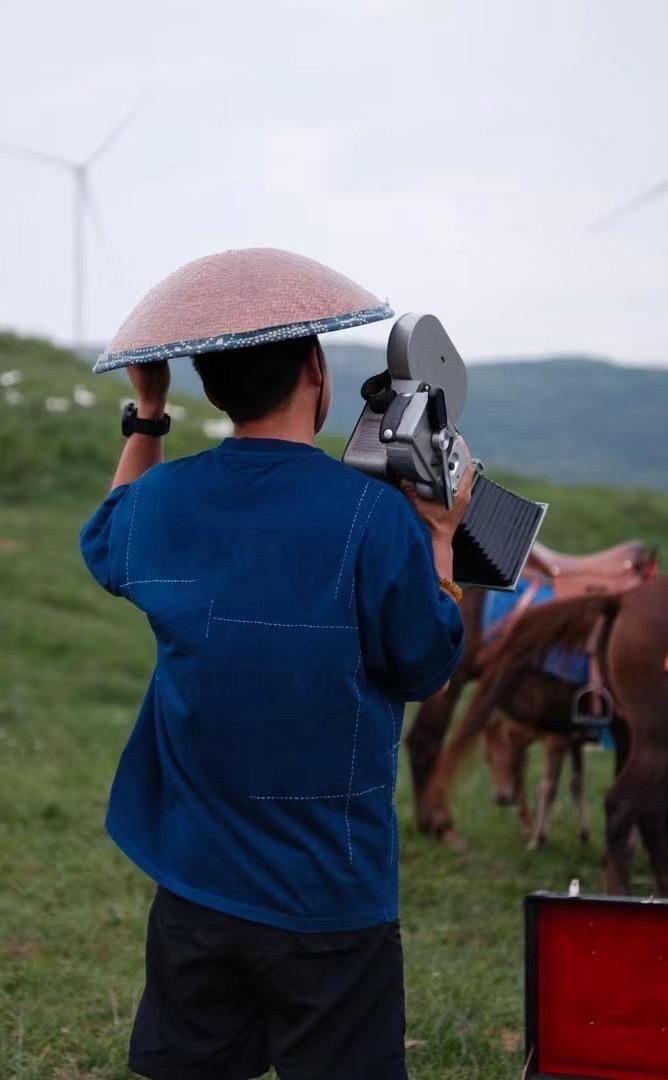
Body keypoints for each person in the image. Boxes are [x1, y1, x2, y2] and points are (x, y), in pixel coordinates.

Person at [80, 299, 470, 1077]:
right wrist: (441, 534)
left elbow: (107, 536)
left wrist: (149, 414)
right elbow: (426, 665)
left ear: (211, 388)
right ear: (317, 371)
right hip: (330, 890)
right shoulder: (373, 515)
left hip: (195, 881)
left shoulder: (162, 500)